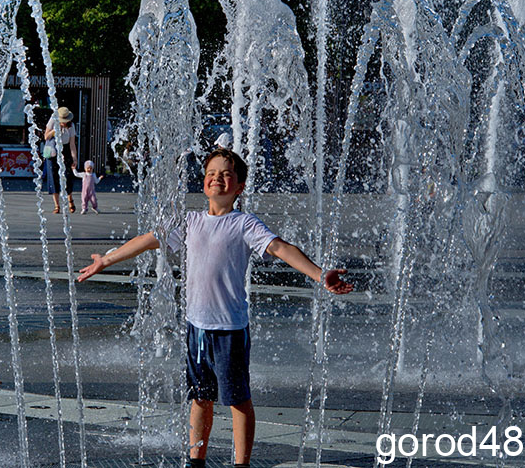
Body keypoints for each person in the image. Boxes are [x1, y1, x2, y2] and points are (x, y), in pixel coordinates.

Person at [78, 147, 352, 467]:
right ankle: (196, 461)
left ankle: (241, 464)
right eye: (211, 174)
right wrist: (106, 259)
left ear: (239, 187)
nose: (217, 179)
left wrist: (320, 275)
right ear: (203, 183)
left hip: (229, 330)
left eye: (225, 175)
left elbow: (280, 248)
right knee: (200, 398)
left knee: (237, 400)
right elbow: (148, 239)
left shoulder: (245, 224)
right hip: (196, 327)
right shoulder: (190, 221)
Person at [44, 106, 78, 213]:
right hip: (53, 151)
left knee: (68, 176)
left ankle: (70, 199)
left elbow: (72, 144)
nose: (63, 123)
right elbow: (46, 137)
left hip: (65, 150)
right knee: (53, 177)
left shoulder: (71, 126)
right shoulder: (53, 120)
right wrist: (54, 130)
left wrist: (74, 158)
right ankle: (56, 205)